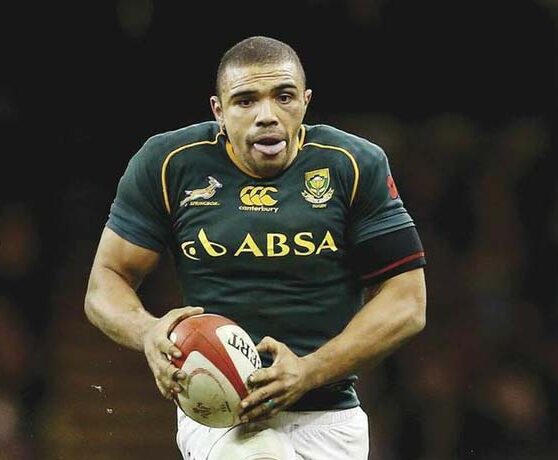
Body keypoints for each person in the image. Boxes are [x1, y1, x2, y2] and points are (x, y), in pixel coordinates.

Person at [84, 35, 427, 460]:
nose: (267, 116)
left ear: (305, 102)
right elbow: (106, 281)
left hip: (330, 416)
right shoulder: (170, 163)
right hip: (221, 414)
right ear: (218, 111)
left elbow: (407, 302)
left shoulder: (353, 164)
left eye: (283, 97)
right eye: (245, 101)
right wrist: (148, 332)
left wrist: (309, 370)